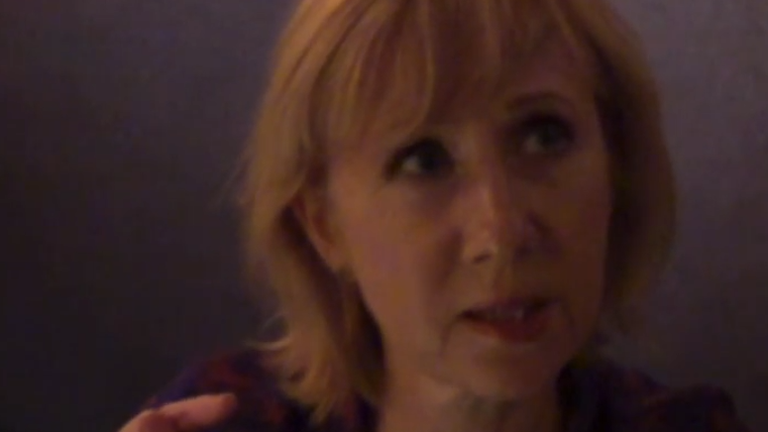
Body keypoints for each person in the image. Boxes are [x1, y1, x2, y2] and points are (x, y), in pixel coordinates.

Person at [119, 0, 752, 431]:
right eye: (424, 160)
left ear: (615, 165)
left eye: (544, 136)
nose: (501, 232)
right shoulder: (229, 418)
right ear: (324, 225)